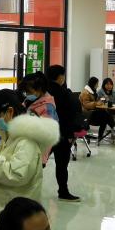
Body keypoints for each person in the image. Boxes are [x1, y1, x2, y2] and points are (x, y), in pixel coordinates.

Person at [0, 90, 57, 208]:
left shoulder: (27, 141)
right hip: (4, 208)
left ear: (10, 111)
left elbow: (16, 175)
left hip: (15, 212)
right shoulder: (9, 136)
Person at [45, 64, 80, 201]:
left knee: (39, 162)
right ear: (60, 77)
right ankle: (63, 191)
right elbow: (69, 116)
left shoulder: (43, 91)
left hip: (44, 133)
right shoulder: (64, 93)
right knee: (61, 165)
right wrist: (70, 134)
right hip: (61, 134)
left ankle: (26, 187)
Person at [93, 77, 115, 144]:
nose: (109, 86)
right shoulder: (100, 92)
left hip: (112, 111)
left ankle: (113, 134)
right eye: (107, 84)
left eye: (111, 84)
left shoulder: (114, 93)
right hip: (102, 112)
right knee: (106, 118)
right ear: (104, 85)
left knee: (110, 117)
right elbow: (98, 103)